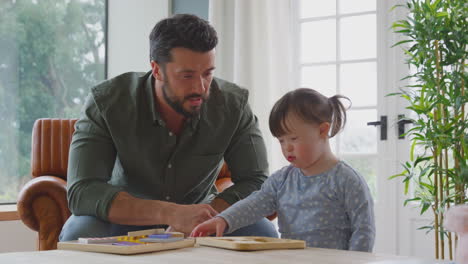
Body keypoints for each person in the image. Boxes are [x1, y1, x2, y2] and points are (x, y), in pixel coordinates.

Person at [59, 14, 278, 240]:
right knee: (79, 231)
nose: (201, 87)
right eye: (187, 76)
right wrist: (171, 213)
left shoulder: (234, 106)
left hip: (204, 219)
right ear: (156, 70)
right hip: (125, 219)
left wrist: (212, 216)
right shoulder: (107, 103)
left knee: (263, 232)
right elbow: (82, 191)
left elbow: (256, 181)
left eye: (207, 73)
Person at [191, 88, 376, 252]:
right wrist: (223, 220)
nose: (287, 147)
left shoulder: (347, 179)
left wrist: (355, 261)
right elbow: (253, 204)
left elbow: (364, 229)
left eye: (294, 139)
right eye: (281, 140)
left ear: (322, 131)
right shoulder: (282, 180)